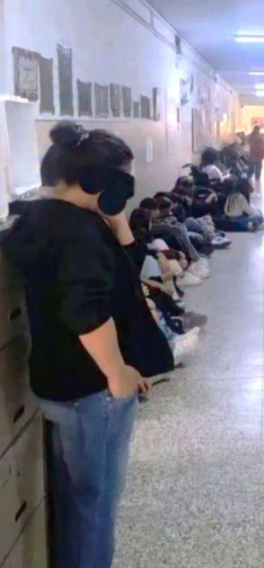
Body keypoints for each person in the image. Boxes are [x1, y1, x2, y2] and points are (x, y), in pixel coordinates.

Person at [0, 122, 174, 568]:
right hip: (90, 389)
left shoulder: (40, 217)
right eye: (123, 181)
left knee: (76, 500)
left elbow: (122, 274)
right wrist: (117, 373)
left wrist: (117, 222)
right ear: (97, 180)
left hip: (61, 380)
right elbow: (85, 311)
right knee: (94, 507)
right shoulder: (77, 233)